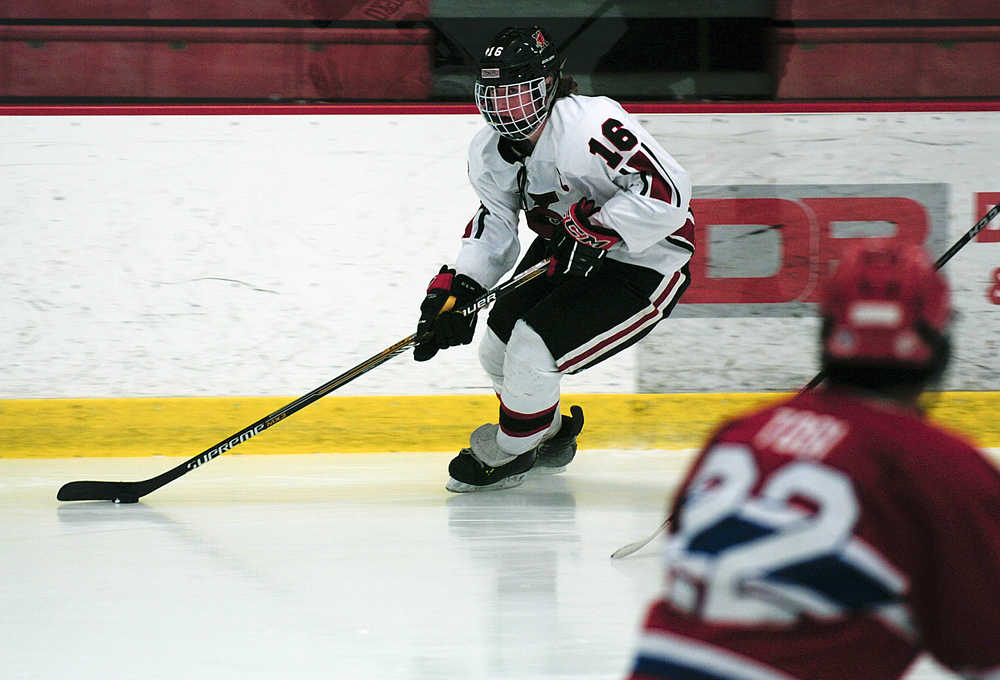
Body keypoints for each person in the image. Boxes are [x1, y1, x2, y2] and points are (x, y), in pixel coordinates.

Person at [627, 242, 1000, 680]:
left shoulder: (737, 437)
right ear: (938, 345)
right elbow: (981, 651)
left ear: (827, 336)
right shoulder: (946, 468)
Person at [412, 25, 695, 493]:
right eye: (495, 93)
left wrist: (598, 227)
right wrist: (458, 288)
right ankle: (548, 435)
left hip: (646, 258)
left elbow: (669, 194)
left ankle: (512, 452)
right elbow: (497, 226)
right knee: (496, 348)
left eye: (518, 91)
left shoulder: (591, 125)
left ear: (548, 86)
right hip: (566, 248)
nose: (505, 105)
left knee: (531, 348)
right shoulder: (487, 152)